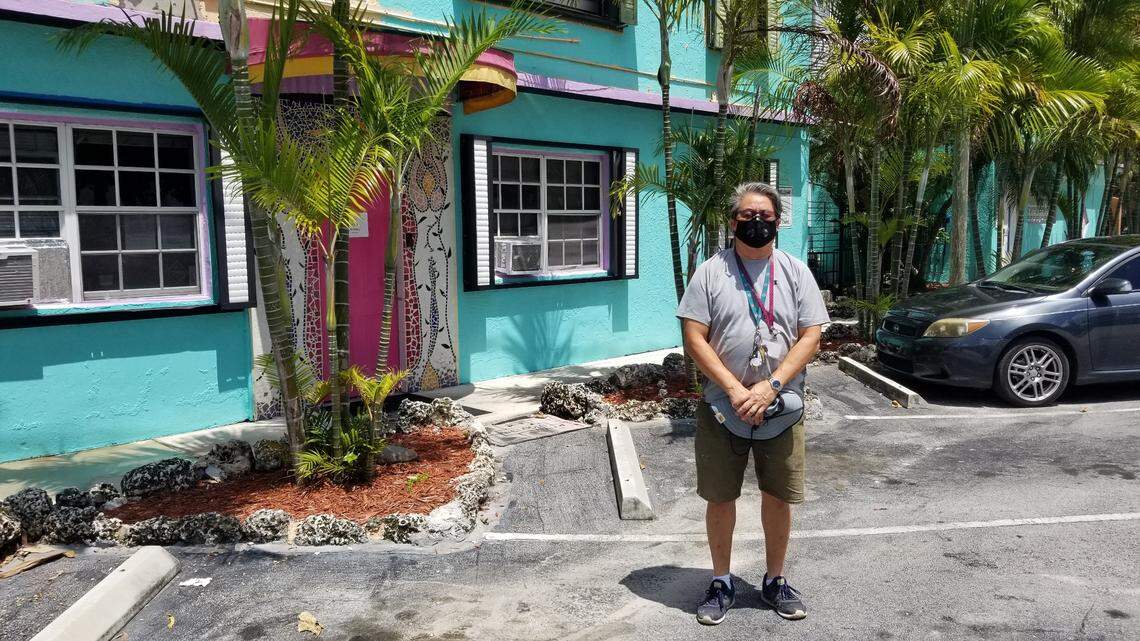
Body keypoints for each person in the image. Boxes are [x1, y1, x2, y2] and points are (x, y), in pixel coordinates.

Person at [676, 182, 829, 625]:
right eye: (747, 215)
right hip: (722, 406)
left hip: (782, 406)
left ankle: (775, 580)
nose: (756, 222)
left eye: (765, 215)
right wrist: (735, 389)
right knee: (720, 497)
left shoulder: (796, 272)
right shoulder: (710, 273)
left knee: (778, 496)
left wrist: (771, 386)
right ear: (732, 222)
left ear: (778, 222)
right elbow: (694, 337)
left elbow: (811, 335)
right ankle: (721, 581)